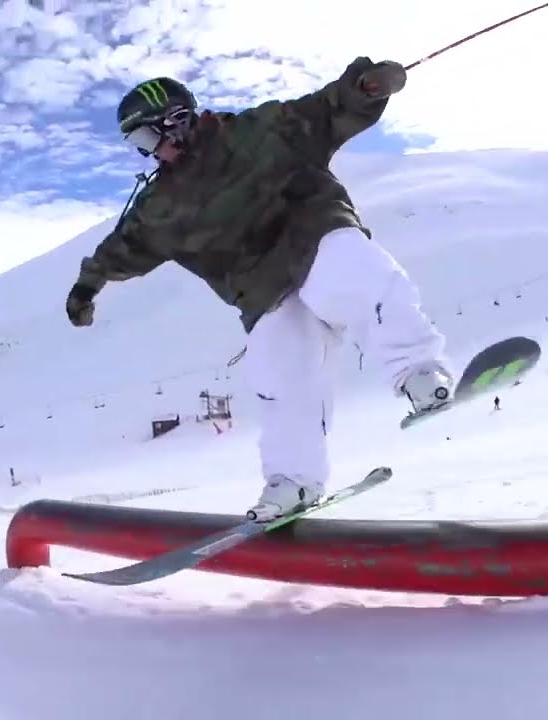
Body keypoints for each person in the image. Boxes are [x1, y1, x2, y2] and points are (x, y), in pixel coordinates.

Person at [64, 58, 454, 522]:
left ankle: (420, 373)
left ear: (176, 121)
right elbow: (121, 248)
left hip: (313, 234)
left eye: (147, 139)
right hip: (260, 288)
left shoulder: (261, 130)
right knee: (280, 376)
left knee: (360, 279)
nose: (149, 153)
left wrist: (366, 87)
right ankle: (292, 481)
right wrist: (87, 288)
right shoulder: (161, 206)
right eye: (138, 144)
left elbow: (327, 109)